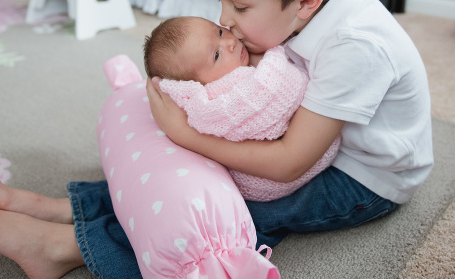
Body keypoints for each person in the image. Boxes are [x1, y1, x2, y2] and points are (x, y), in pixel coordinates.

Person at [0, 0, 433, 279]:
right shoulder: (305, 0)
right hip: (321, 140)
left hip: (364, 178)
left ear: (306, 4)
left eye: (240, 5)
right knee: (187, 178)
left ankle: (66, 248)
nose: (224, 19)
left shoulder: (357, 47)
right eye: (221, 0)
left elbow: (291, 160)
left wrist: (186, 135)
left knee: (224, 213)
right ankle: (69, 208)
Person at [143, 15, 341, 201]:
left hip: (300, 156)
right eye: (217, 55)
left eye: (220, 32)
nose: (230, 42)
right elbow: (278, 92)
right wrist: (268, 56)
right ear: (197, 85)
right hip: (268, 178)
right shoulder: (222, 101)